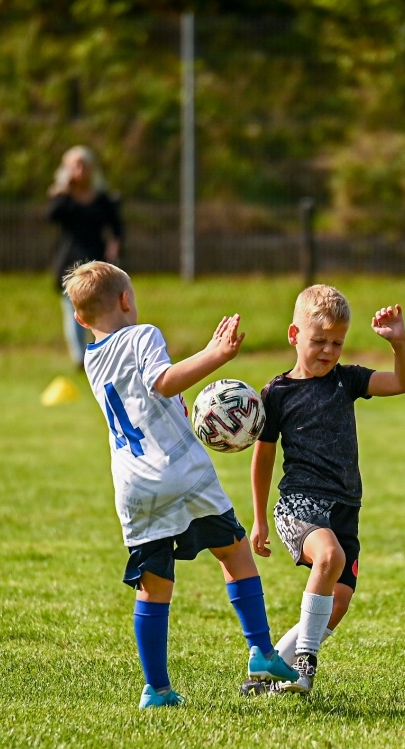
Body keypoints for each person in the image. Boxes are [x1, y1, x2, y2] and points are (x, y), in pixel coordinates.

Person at [62, 260, 297, 708]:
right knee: (233, 551)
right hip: (180, 470)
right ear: (126, 300)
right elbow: (162, 382)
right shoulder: (142, 335)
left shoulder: (92, 358)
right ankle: (262, 652)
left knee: (154, 585)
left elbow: (145, 398)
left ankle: (157, 689)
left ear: (80, 318)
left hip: (134, 486)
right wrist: (215, 354)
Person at [247, 285, 405, 695]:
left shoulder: (347, 380)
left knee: (338, 601)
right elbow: (263, 457)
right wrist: (259, 519)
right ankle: (305, 664)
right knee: (329, 556)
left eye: (337, 343)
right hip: (298, 505)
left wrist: (398, 342)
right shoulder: (277, 393)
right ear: (294, 335)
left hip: (345, 508)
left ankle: (265, 676)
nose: (328, 350)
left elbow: (404, 382)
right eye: (319, 340)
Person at [48, 146, 123, 370]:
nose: (80, 171)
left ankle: (102, 352)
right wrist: (64, 189)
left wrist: (115, 246)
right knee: (72, 309)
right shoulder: (63, 198)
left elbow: (117, 228)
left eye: (83, 165)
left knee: (102, 306)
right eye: (74, 166)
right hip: (69, 260)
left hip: (96, 259)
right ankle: (80, 359)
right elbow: (51, 215)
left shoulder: (102, 199)